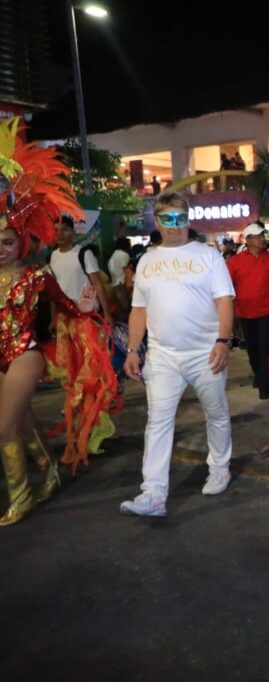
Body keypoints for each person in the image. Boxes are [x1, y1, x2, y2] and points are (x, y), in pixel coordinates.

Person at [0, 118, 119, 524]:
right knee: (22, 419)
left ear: (23, 241)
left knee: (3, 426)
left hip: (24, 353)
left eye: (8, 242)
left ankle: (22, 496)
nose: (1, 249)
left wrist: (92, 310)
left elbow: (67, 306)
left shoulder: (37, 275)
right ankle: (48, 471)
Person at [120, 192, 236, 517]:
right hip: (161, 357)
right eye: (168, 219)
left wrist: (223, 340)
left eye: (180, 218)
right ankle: (153, 493)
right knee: (157, 422)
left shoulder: (209, 256)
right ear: (157, 222)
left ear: (188, 219)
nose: (175, 225)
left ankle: (219, 467)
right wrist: (132, 349)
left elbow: (225, 299)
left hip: (205, 354)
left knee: (216, 413)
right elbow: (138, 310)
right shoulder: (146, 261)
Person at [227, 222, 269, 399]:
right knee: (252, 348)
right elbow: (228, 288)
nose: (262, 239)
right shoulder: (235, 262)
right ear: (248, 239)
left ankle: (264, 385)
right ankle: (259, 374)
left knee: (265, 348)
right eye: (258, 236)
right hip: (245, 312)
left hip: (268, 311)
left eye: (262, 236)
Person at [49, 216, 115, 325]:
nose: (60, 234)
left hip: (86, 314)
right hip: (64, 315)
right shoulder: (54, 256)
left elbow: (97, 284)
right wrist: (53, 318)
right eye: (56, 230)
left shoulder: (85, 254)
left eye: (64, 230)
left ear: (73, 232)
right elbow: (54, 289)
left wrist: (107, 314)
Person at [108, 237, 132, 320]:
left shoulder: (113, 256)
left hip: (114, 285)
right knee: (126, 309)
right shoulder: (124, 255)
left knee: (119, 310)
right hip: (121, 285)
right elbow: (127, 272)